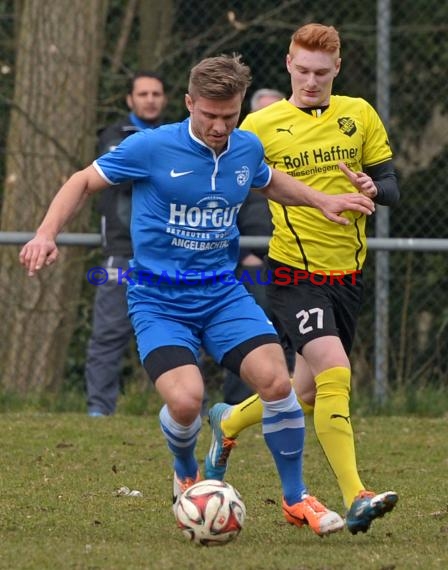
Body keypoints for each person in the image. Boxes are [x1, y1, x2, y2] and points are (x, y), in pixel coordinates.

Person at [19, 54, 375, 536]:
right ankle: (186, 467)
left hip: (222, 295)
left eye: (229, 116)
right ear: (189, 104)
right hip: (158, 299)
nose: (219, 126)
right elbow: (83, 180)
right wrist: (46, 233)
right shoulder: (150, 147)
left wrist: (325, 199)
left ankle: (296, 500)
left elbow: (272, 184)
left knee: (276, 384)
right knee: (186, 403)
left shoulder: (244, 148)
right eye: (209, 115)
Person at [205, 25, 400, 535]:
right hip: (294, 273)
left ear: (337, 68)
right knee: (336, 372)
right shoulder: (261, 125)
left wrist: (373, 187)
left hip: (347, 276)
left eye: (321, 72)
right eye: (302, 70)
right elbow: (236, 187)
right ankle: (356, 494)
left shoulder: (359, 115)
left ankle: (227, 422)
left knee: (304, 394)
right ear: (289, 64)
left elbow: (391, 186)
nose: (311, 80)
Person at [86, 71, 167, 417]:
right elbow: (123, 175)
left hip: (170, 255)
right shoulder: (113, 138)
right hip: (122, 255)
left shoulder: (175, 135)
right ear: (130, 100)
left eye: (156, 93)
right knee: (109, 334)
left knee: (178, 332)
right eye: (143, 93)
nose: (150, 99)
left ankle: (187, 409)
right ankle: (99, 411)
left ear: (164, 99)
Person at [222, 87, 285, 405]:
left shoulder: (296, 156)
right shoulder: (236, 158)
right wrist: (245, 253)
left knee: (290, 332)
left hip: (292, 259)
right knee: (249, 333)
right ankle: (237, 404)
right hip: (250, 263)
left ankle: (285, 402)